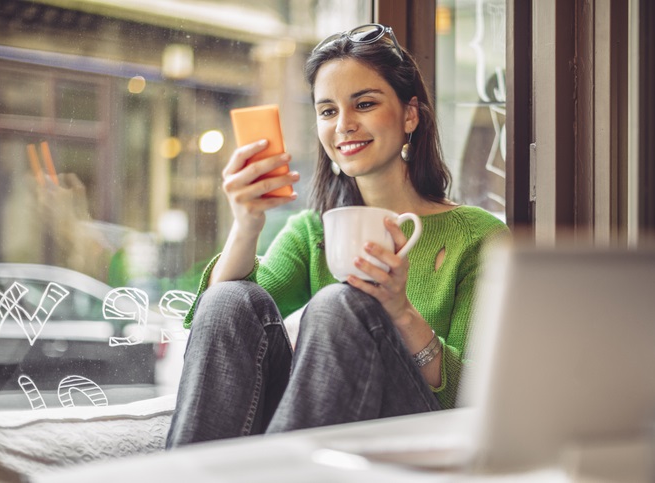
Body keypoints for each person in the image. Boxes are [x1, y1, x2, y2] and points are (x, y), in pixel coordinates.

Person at [166, 23, 508, 447]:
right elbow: (219, 323)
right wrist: (246, 225)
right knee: (228, 298)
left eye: (363, 103)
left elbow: (480, 396)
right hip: (331, 433)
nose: (344, 124)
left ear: (410, 114)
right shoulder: (313, 231)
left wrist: (400, 312)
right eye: (328, 111)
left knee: (338, 303)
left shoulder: (480, 237)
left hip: (422, 440)